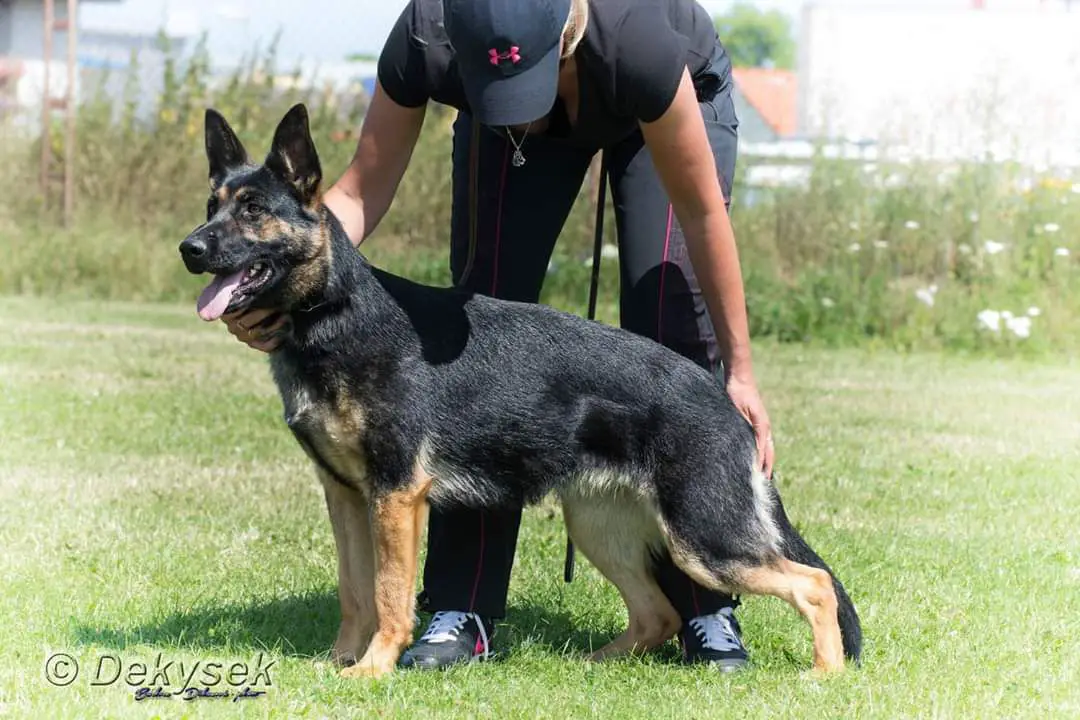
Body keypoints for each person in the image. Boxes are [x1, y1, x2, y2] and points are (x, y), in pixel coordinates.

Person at [223, 0, 776, 673]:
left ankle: (705, 609)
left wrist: (740, 369)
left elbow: (701, 214)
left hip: (659, 95)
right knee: (474, 338)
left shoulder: (638, 40)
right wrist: (278, 281)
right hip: (531, 96)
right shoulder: (426, 33)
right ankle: (464, 608)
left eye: (524, 93)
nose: (519, 115)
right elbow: (360, 192)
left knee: (667, 323)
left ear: (563, 43)